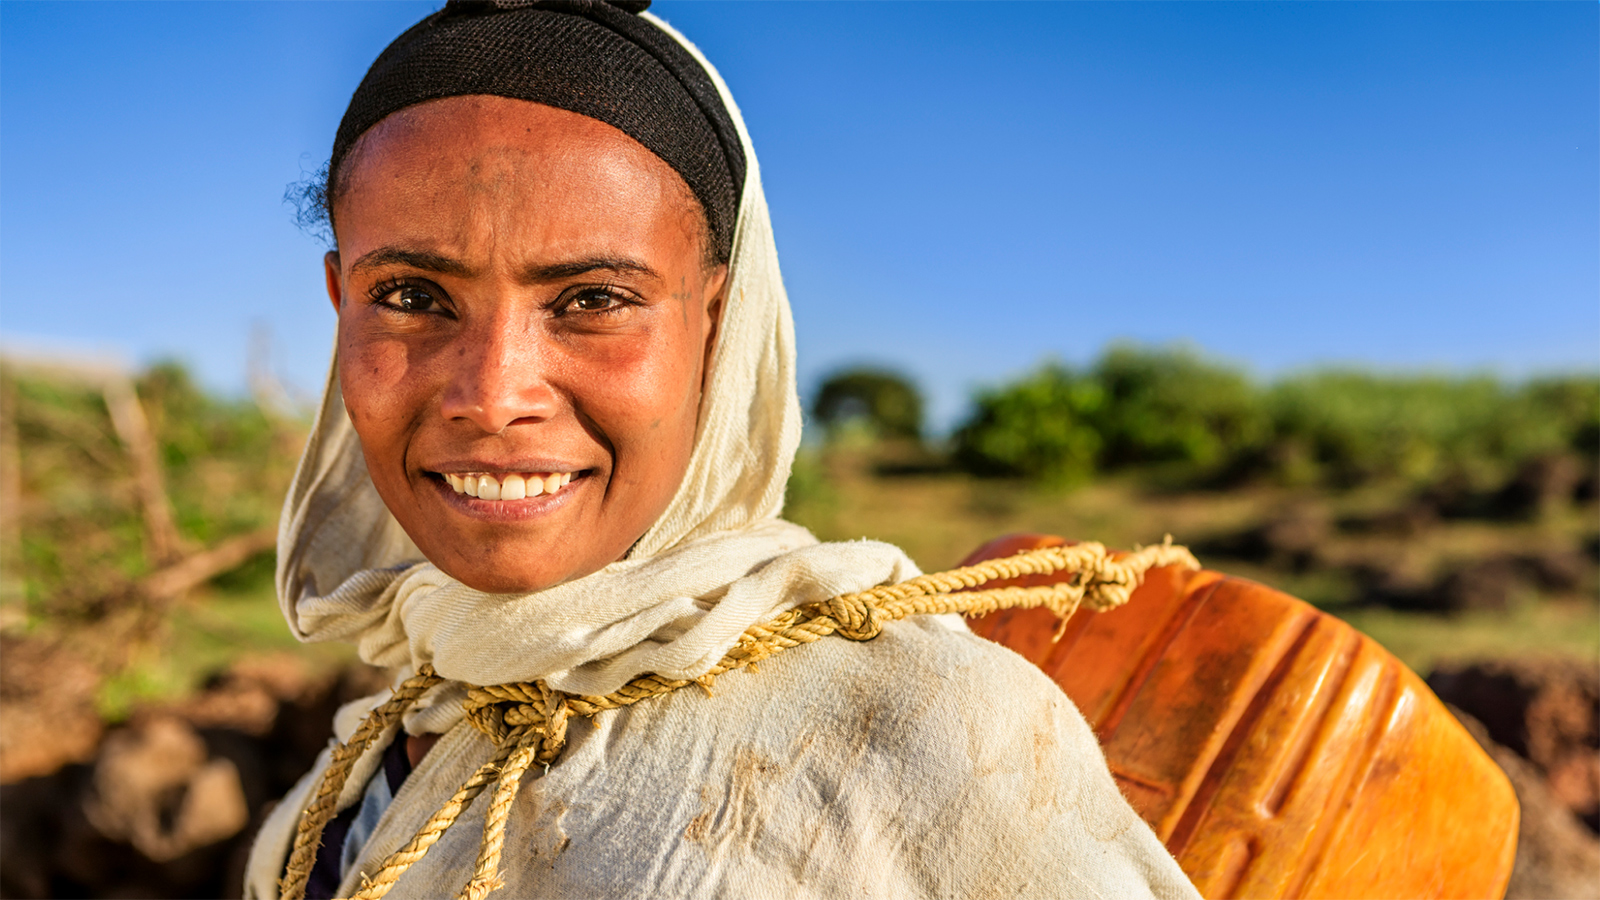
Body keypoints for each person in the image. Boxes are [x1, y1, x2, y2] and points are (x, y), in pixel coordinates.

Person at [244, 2, 1202, 898]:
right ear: (341, 301)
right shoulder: (360, 771)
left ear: (718, 320)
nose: (493, 397)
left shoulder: (929, 739)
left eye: (592, 301)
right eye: (412, 295)